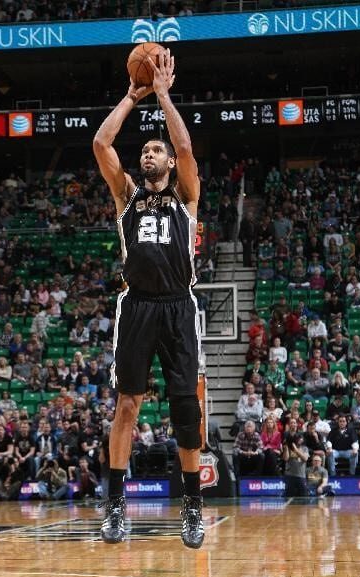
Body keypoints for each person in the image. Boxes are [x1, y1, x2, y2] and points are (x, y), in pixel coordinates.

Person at [93, 50, 204, 548]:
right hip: (136, 306)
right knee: (127, 407)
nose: (149, 155)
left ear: (170, 161)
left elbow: (184, 143)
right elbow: (101, 142)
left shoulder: (186, 196)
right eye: (146, 152)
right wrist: (131, 96)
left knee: (185, 409)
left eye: (156, 151)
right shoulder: (127, 196)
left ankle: (192, 508)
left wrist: (162, 94)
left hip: (180, 305)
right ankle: (116, 508)